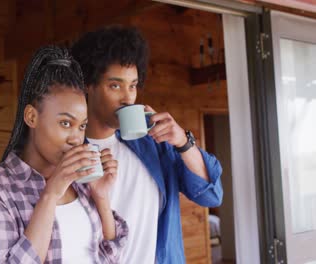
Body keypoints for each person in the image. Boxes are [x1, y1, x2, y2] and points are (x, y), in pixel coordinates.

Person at [71, 26, 223, 263]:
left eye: (132, 85)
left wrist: (183, 142)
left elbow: (212, 195)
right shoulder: (69, 152)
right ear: (87, 86)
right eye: (115, 85)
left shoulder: (154, 142)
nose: (127, 97)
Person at [0, 45, 128, 264]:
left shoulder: (80, 183)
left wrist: (101, 197)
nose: (76, 138)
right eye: (66, 123)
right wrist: (50, 194)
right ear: (31, 117)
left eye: (82, 126)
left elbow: (113, 257)